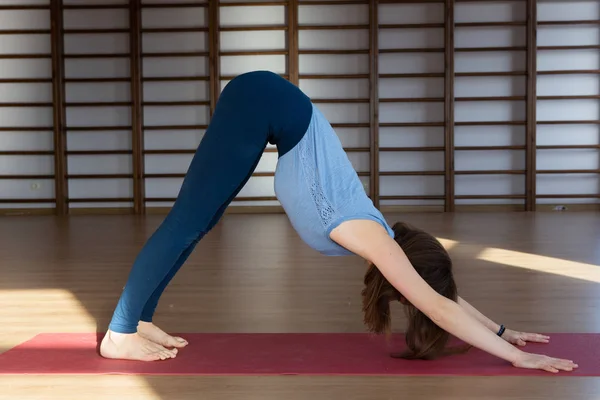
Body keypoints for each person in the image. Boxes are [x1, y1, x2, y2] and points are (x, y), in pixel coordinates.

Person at [100, 71, 577, 374]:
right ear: (407, 266)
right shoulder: (371, 236)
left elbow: (439, 296)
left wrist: (501, 331)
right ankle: (120, 333)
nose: (407, 290)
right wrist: (518, 357)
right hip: (263, 102)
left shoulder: (382, 240)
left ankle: (139, 319)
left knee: (196, 225)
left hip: (268, 105)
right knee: (186, 221)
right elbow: (437, 307)